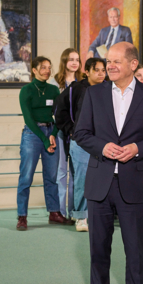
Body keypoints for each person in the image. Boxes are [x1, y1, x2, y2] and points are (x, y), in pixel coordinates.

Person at [73, 42, 143, 284]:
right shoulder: (93, 93)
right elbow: (81, 133)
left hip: (133, 184)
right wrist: (103, 147)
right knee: (98, 251)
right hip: (99, 183)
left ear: (133, 64)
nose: (109, 66)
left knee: (134, 249)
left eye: (115, 61)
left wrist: (137, 148)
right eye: (107, 61)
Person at [16, 57, 70, 230]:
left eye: (49, 67)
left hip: (51, 132)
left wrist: (53, 134)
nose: (47, 70)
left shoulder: (54, 90)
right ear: (34, 70)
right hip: (32, 135)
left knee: (51, 177)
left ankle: (54, 213)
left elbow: (59, 116)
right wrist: (45, 139)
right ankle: (22, 216)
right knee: (26, 177)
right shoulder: (26, 90)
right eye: (43, 67)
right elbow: (28, 119)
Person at [55, 57, 107, 232]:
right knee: (82, 179)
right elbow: (59, 110)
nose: (101, 74)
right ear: (87, 71)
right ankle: (80, 217)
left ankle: (98, 215)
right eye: (96, 70)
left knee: (101, 179)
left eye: (103, 70)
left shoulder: (108, 89)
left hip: (102, 142)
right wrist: (71, 130)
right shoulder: (76, 89)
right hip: (81, 141)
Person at [51, 48, 82, 221]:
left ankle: (75, 211)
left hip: (77, 133)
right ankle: (62, 212)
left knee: (77, 172)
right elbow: (55, 111)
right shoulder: (56, 83)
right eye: (71, 59)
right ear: (64, 61)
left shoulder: (82, 83)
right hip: (61, 132)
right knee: (62, 172)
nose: (74, 63)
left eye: (77, 59)